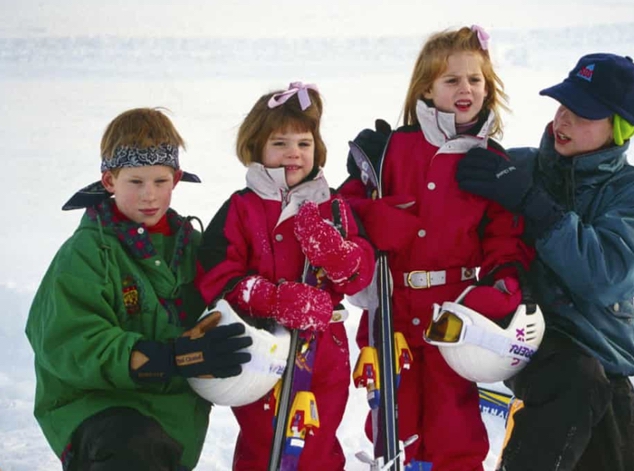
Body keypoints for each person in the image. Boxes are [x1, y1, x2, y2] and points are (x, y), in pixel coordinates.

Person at [338, 26, 534, 470]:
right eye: (452, 80)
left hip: (457, 317)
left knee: (454, 424)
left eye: (475, 80)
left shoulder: (491, 162)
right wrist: (374, 218)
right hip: (393, 310)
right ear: (427, 88)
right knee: (394, 421)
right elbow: (343, 211)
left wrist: (502, 284)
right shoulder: (392, 150)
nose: (465, 89)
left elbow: (505, 238)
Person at [456, 53, 634, 470]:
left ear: (619, 127)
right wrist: (388, 158)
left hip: (602, 354)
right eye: (563, 105)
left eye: (582, 113)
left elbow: (606, 277)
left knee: (614, 450)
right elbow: (442, 177)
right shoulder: (520, 167)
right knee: (577, 383)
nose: (563, 119)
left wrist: (539, 209)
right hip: (529, 335)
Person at [25, 107, 254, 471]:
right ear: (109, 181)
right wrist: (171, 356)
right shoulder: (86, 253)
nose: (149, 195)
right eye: (135, 182)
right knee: (132, 445)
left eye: (160, 182)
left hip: (173, 418)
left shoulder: (195, 247)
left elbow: (228, 300)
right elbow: (68, 342)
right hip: (99, 410)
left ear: (176, 179)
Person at [194, 82, 376, 471]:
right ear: (257, 148)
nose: (293, 152)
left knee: (319, 438)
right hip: (264, 348)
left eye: (304, 143)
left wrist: (339, 257)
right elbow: (217, 275)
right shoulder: (242, 208)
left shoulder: (334, 207)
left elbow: (361, 275)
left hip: (325, 348)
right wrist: (270, 298)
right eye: (280, 143)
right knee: (266, 442)